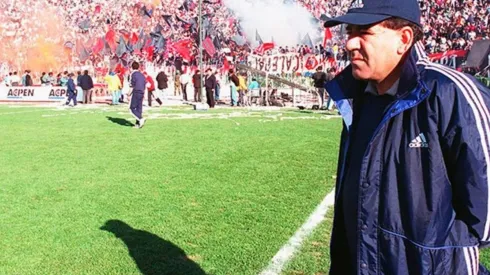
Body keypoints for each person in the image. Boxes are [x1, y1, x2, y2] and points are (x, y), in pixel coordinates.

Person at [323, 0, 490, 274]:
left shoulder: (449, 93)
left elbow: (483, 214)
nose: (350, 43)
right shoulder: (356, 97)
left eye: (363, 32)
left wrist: (433, 254)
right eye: (349, 31)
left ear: (404, 38)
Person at [128, 62, 146, 129]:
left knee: (132, 109)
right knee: (139, 109)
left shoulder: (133, 74)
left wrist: (128, 94)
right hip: (142, 92)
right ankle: (137, 124)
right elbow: (144, 84)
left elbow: (131, 85)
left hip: (136, 92)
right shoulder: (142, 75)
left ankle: (141, 119)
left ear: (132, 67)